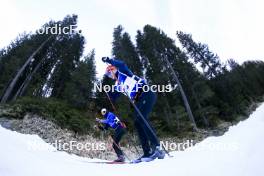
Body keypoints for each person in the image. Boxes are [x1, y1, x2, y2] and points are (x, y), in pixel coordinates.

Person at [102, 57, 165, 163]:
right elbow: (115, 96)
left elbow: (122, 63)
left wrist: (109, 60)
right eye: (108, 75)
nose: (111, 76)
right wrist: (109, 93)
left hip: (146, 93)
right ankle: (147, 152)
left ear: (114, 69)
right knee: (137, 122)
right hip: (138, 100)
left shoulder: (123, 72)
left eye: (110, 72)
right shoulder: (117, 85)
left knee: (142, 119)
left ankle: (157, 147)